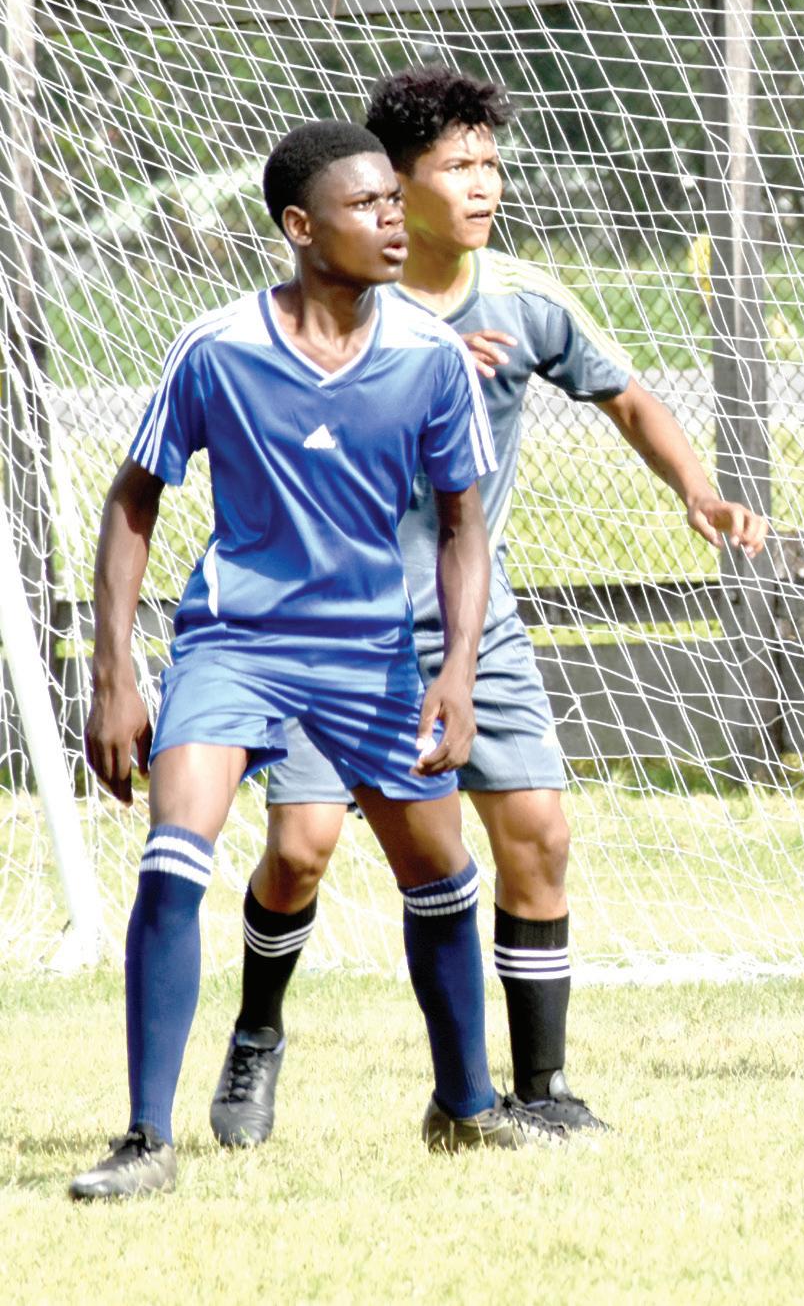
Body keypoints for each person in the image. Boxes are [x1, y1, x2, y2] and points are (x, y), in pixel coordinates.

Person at [207, 65, 768, 1147]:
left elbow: (627, 396)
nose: (482, 185)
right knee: (301, 850)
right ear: (389, 184)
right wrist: (412, 369)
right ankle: (257, 1033)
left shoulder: (523, 299)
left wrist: (698, 492)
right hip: (333, 620)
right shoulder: (341, 307)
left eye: (491, 164)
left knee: (538, 833)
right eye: (456, 166)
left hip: (474, 617)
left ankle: (537, 1088)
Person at [71, 120, 533, 1201]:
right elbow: (133, 500)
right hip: (234, 642)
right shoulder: (217, 347)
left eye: (394, 200)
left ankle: (467, 1106)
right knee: (174, 855)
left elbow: (464, 528)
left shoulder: (429, 356)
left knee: (441, 877)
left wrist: (456, 674)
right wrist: (114, 674)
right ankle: (145, 1140)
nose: (393, 220)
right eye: (366, 204)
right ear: (299, 226)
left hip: (371, 654)